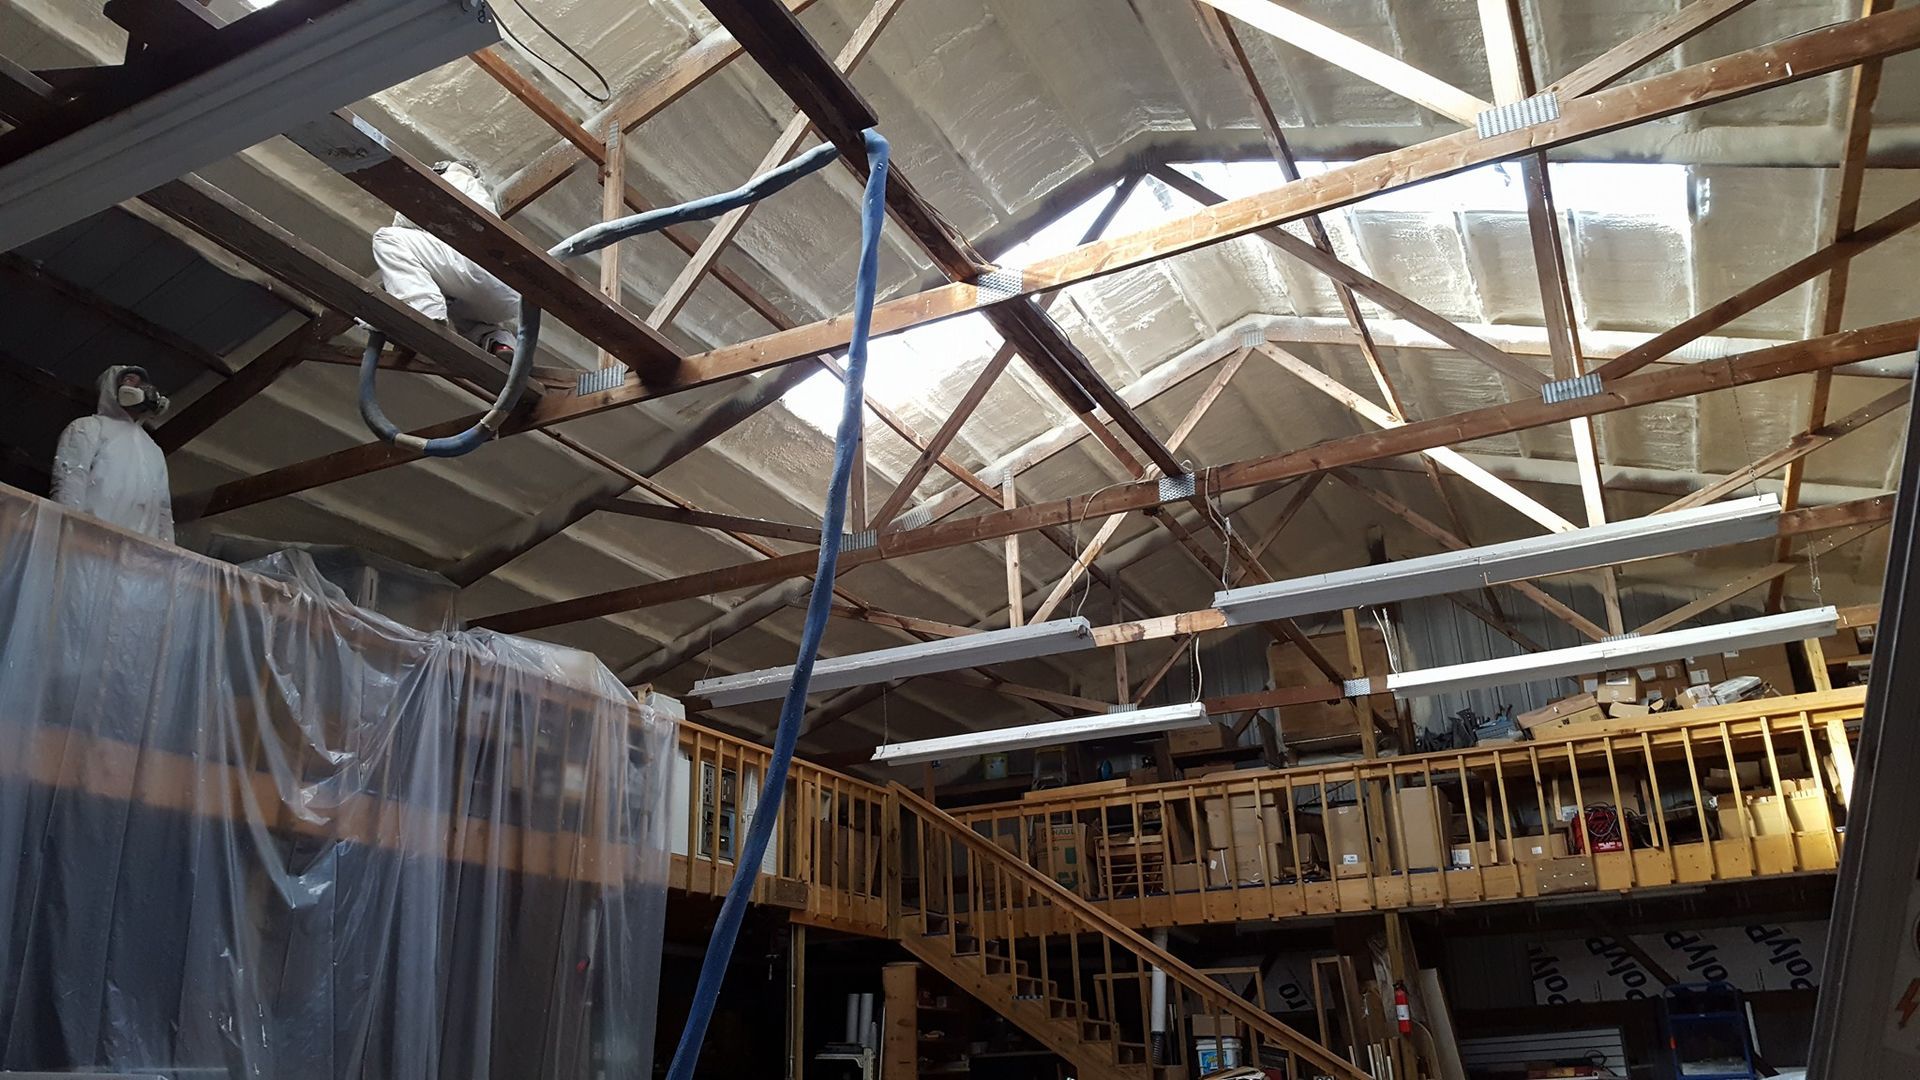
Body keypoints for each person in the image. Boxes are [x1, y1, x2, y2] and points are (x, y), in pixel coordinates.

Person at [371, 159, 521, 358]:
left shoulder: (439, 183)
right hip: (509, 294)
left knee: (387, 238)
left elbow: (403, 228)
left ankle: (424, 314)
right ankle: (499, 343)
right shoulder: (475, 191)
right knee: (457, 309)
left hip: (472, 266)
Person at [50, 364, 174, 543]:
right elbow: (69, 487)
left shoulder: (154, 450)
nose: (140, 387)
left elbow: (163, 510)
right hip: (88, 544)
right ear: (112, 388)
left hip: (136, 555)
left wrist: (167, 553)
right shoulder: (87, 428)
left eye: (142, 383)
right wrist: (67, 537)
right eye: (129, 380)